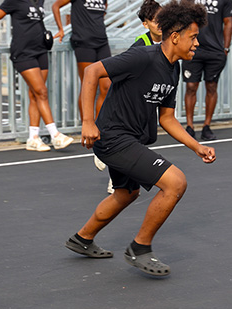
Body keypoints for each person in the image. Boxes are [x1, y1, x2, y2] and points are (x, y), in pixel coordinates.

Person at [65, 0, 215, 277]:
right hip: (113, 138)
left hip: (130, 140)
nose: (197, 44)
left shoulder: (173, 70)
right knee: (176, 182)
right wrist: (87, 121)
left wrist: (197, 146)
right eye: (193, 37)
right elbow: (91, 71)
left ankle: (82, 238)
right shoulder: (143, 57)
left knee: (126, 193)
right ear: (175, 37)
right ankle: (140, 248)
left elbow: (166, 118)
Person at [0, 0, 74, 152]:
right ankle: (55, 135)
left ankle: (33, 138)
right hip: (24, 53)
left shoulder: (39, 1)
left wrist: (60, 29)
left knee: (35, 95)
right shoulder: (14, 1)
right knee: (42, 92)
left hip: (40, 51)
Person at [182, 0, 232, 140]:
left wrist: (226, 48)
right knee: (191, 86)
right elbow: (181, 17)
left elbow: (228, 22)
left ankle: (206, 126)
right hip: (193, 49)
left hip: (215, 51)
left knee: (211, 86)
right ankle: (189, 127)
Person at [51, 0, 111, 121]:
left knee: (107, 86)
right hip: (84, 42)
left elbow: (103, 10)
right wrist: (60, 29)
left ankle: (99, 127)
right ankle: (87, 127)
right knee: (88, 86)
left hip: (102, 41)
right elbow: (55, 6)